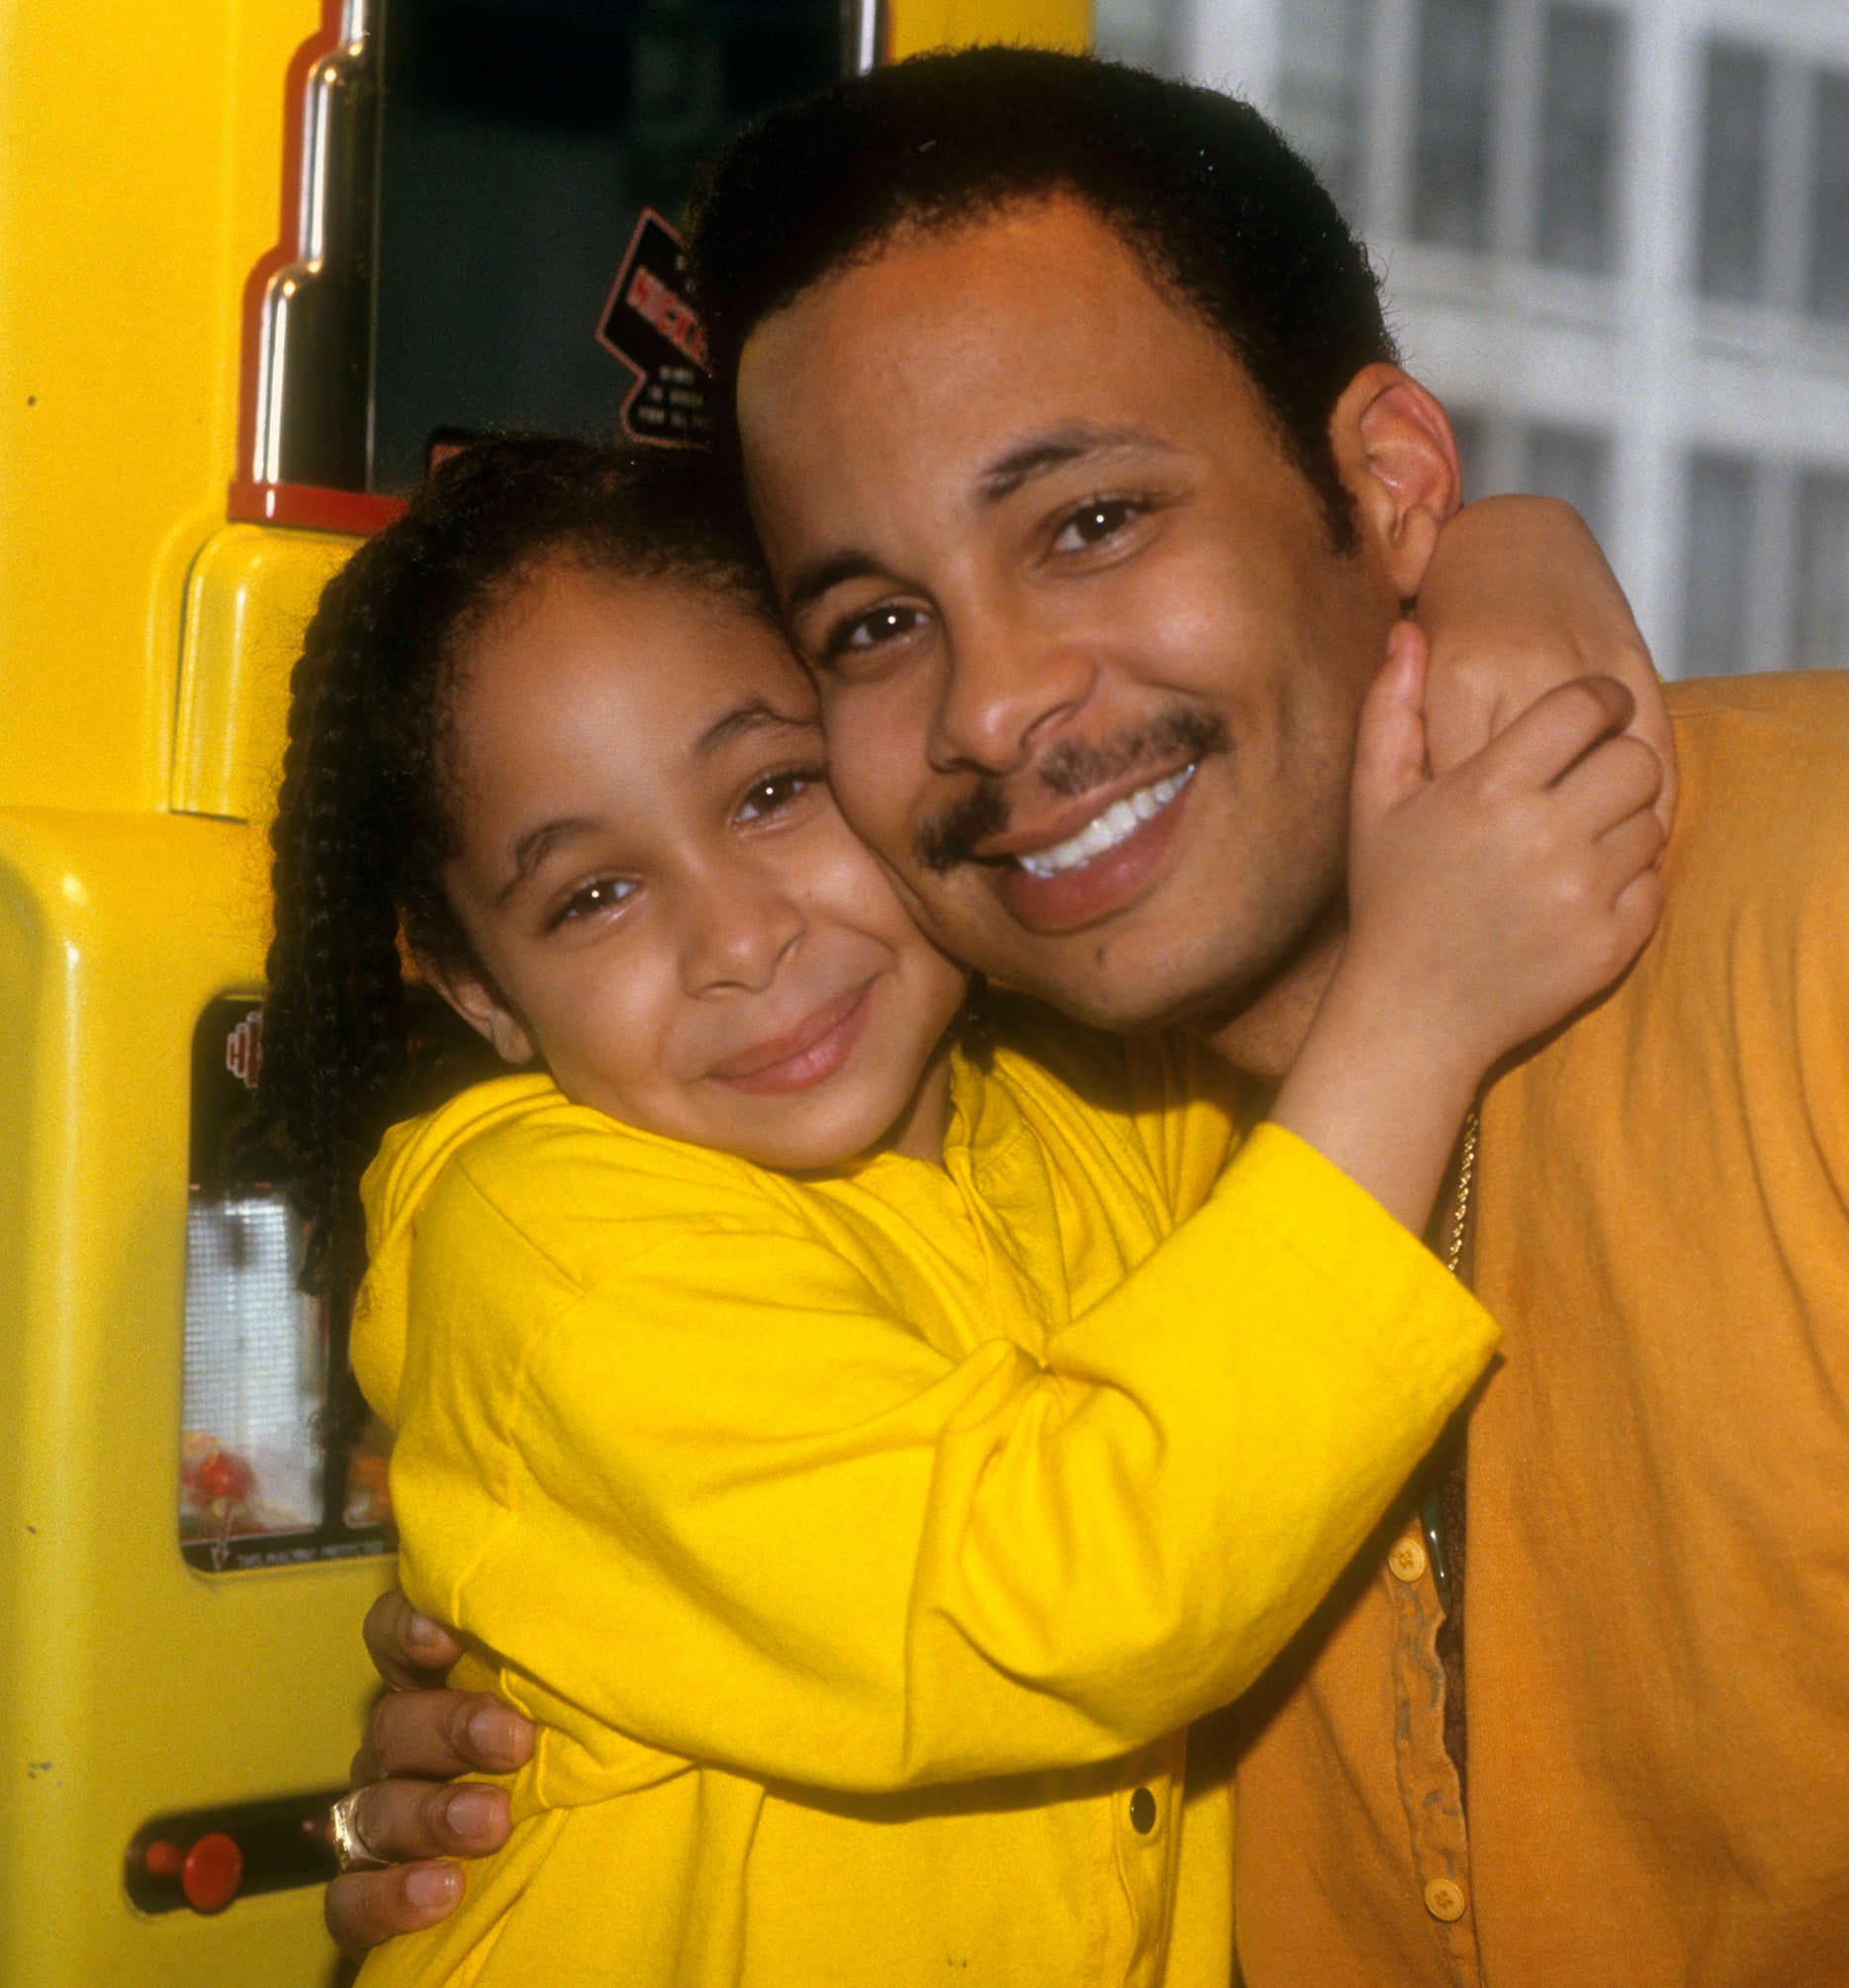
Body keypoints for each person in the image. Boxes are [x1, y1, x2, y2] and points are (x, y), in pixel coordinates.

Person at [340, 47, 1849, 1985]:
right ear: (482, 988)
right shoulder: (1091, 1089)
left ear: (1388, 481)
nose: (996, 707)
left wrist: (1508, 553)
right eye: (874, 625)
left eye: (1090, 520)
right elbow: (1051, 1566)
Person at [264, 433, 1656, 1984]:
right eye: (591, 897)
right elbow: (1074, 1590)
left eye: (775, 789)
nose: (740, 937)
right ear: (480, 993)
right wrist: (1417, 1009)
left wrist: (1494, 548)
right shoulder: (539, 1240)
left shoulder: (1088, 1106)